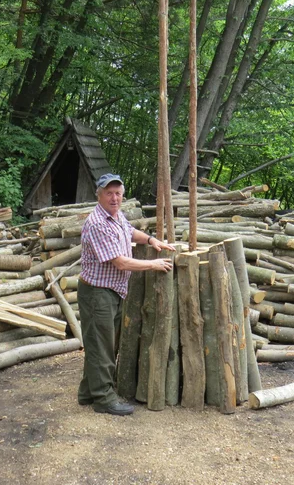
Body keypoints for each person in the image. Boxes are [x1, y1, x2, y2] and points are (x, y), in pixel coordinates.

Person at [77, 173, 175, 416]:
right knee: (102, 347)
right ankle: (103, 399)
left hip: (111, 292)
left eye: (118, 193)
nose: (114, 198)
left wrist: (152, 240)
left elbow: (129, 231)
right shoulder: (97, 223)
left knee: (99, 343)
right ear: (99, 195)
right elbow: (120, 263)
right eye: (109, 193)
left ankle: (88, 392)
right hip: (97, 293)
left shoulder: (115, 216)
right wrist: (153, 265)